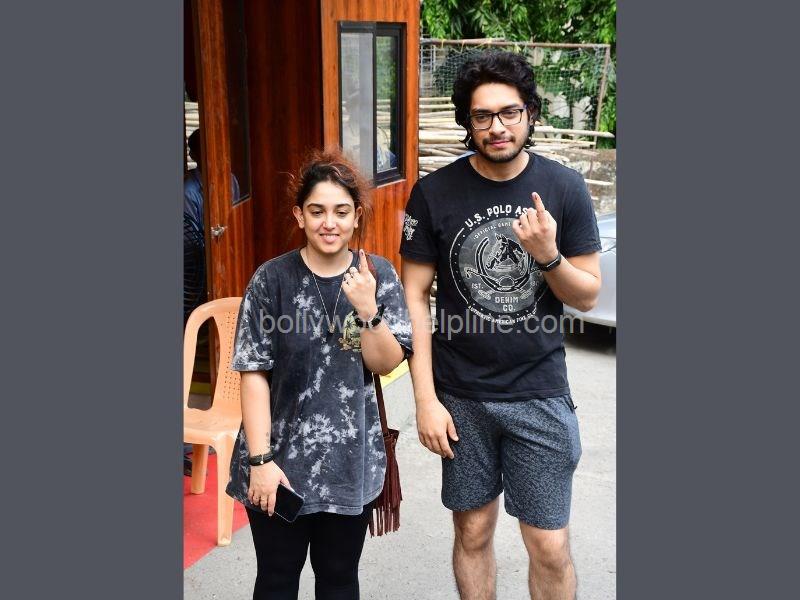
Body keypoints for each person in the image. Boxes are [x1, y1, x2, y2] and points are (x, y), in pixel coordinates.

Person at [400, 51, 602, 600]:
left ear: (530, 114)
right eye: (483, 115)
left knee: (549, 544)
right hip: (461, 395)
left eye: (510, 113)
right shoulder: (434, 193)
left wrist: (548, 255)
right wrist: (425, 400)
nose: (497, 127)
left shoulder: (564, 188)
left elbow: (587, 295)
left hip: (539, 392)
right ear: (467, 122)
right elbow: (413, 297)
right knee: (472, 531)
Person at [226, 148, 412, 600]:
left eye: (341, 211)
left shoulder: (379, 276)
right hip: (279, 465)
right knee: (276, 579)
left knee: (339, 580)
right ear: (300, 215)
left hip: (351, 465)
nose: (329, 222)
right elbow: (253, 374)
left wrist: (367, 310)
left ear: (356, 216)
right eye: (317, 211)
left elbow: (386, 363)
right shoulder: (271, 280)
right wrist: (260, 462)